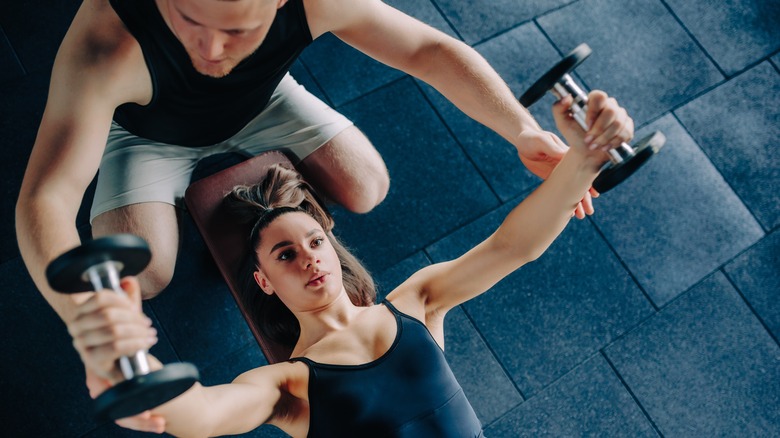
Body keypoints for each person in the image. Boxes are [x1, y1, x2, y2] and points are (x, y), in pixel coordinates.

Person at [67, 94, 633, 436]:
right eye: (286, 254)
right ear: (262, 280)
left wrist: (583, 159)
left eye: (315, 242)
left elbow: (513, 246)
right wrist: (127, 369)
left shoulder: (417, 303)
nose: (310, 259)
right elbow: (206, 414)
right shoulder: (288, 384)